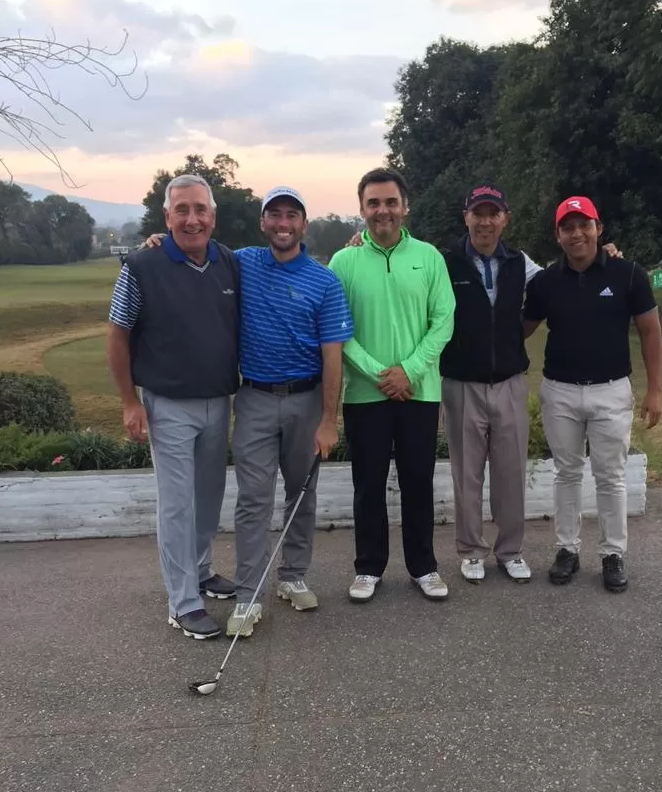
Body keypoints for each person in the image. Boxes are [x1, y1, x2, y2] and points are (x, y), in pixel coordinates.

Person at [145, 186, 353, 640]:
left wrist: (328, 420)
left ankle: (293, 574)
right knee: (253, 501)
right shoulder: (242, 263)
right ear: (263, 223)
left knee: (301, 494)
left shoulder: (324, 280)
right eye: (274, 215)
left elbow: (333, 355)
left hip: (307, 398)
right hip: (255, 398)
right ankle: (249, 594)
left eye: (291, 216)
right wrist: (157, 243)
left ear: (303, 224)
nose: (282, 223)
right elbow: (192, 241)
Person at [106, 173, 239, 640]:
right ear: (166, 216)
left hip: (217, 399)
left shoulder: (227, 262)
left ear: (213, 216)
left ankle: (201, 571)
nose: (192, 219)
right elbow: (118, 333)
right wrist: (128, 402)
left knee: (208, 497)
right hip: (167, 404)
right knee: (178, 506)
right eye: (181, 210)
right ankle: (182, 602)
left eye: (200, 209)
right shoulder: (142, 265)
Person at [522, 195, 662, 592]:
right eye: (568, 227)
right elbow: (522, 329)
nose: (577, 233)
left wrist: (655, 390)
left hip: (611, 390)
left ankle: (612, 554)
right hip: (560, 392)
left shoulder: (628, 274)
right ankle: (567, 549)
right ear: (558, 235)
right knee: (566, 474)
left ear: (599, 229)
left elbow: (650, 331)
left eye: (585, 224)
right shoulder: (546, 282)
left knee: (610, 477)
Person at [329, 168, 456, 603]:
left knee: (418, 480)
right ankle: (369, 567)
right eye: (373, 203)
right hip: (366, 395)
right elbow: (337, 328)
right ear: (362, 208)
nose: (382, 210)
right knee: (368, 483)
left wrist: (410, 370)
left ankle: (424, 566)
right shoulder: (344, 261)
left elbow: (443, 321)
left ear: (405, 206)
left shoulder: (429, 257)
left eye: (390, 202)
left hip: (418, 392)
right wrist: (379, 373)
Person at [439, 185, 542, 585]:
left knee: (510, 472)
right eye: (477, 213)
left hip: (510, 382)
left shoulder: (520, 262)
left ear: (504, 218)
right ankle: (470, 550)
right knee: (467, 474)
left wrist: (607, 257)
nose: (485, 221)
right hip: (462, 383)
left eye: (492, 213)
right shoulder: (445, 262)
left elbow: (559, 281)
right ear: (465, 217)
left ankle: (510, 550)